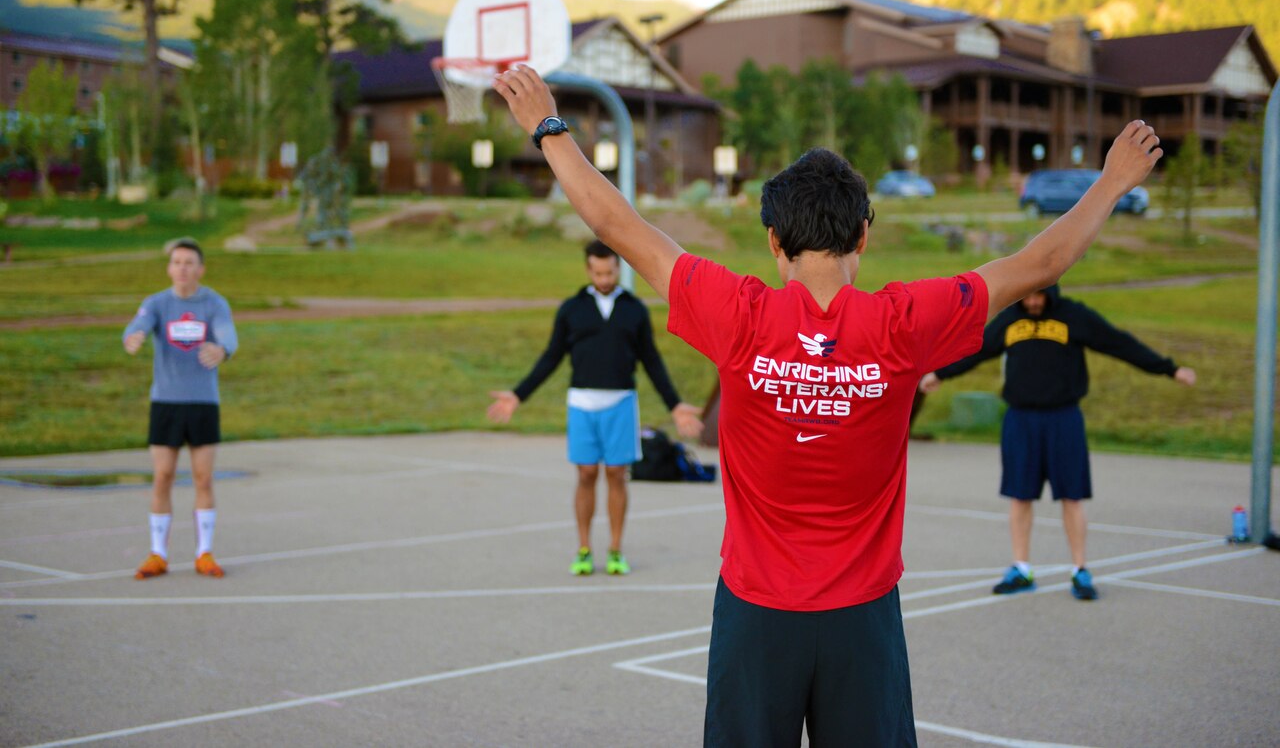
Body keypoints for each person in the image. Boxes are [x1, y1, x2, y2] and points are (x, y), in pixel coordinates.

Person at [493, 64, 1162, 746]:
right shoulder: (903, 322)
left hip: (756, 613)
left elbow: (615, 221)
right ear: (863, 236)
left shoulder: (738, 313)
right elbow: (1040, 262)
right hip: (862, 619)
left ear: (775, 242)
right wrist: (1111, 180)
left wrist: (548, 127)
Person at [918, 284, 1196, 600]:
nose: (1034, 302)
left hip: (1064, 418)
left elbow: (1118, 343)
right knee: (1019, 495)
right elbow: (976, 349)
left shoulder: (1073, 316)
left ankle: (1080, 570)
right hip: (1021, 419)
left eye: (1040, 296)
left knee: (1071, 496)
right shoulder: (1010, 319)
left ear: (1052, 294)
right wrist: (939, 373)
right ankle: (1021, 568)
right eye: (1029, 297)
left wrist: (1169, 369)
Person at [486, 240, 703, 576]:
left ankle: (615, 549)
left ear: (618, 269)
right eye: (598, 272)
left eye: (610, 271)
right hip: (582, 404)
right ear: (589, 270)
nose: (604, 278)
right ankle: (584, 549)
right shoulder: (572, 309)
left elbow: (651, 361)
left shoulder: (634, 310)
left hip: (620, 404)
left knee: (617, 475)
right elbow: (551, 356)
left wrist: (675, 405)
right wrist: (518, 395)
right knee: (586, 474)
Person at [123, 238, 238, 580]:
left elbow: (227, 334)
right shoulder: (157, 303)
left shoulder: (214, 303)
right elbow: (137, 324)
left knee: (203, 478)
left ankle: (204, 552)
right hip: (166, 403)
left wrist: (223, 350)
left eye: (190, 262)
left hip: (202, 402)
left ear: (200, 269)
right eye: (177, 262)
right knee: (163, 477)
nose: (183, 268)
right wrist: (133, 337)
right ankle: (158, 554)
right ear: (169, 268)